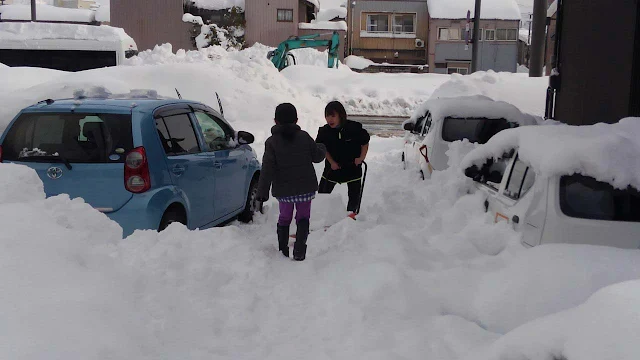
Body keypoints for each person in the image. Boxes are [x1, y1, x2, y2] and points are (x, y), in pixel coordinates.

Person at [256, 103, 326, 261]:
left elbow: (267, 169)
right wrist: (322, 147)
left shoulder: (271, 142)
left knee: (284, 217)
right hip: (305, 188)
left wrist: (262, 193)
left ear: (275, 121)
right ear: (296, 119)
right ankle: (300, 249)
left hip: (284, 190)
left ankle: (283, 250)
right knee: (303, 217)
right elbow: (317, 157)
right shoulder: (304, 137)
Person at [316, 101, 370, 217]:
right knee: (322, 195)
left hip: (352, 167)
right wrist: (331, 162)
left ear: (340, 115)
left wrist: (361, 158)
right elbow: (323, 148)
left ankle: (351, 215)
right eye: (327, 116)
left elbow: (364, 143)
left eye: (333, 116)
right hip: (333, 168)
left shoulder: (354, 128)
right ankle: (319, 216)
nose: (329, 119)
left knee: (354, 195)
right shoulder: (324, 131)